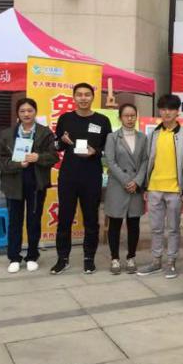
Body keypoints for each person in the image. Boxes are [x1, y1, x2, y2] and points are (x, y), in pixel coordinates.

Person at [52, 83, 112, 275]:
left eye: (87, 94)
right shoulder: (65, 118)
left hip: (91, 175)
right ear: (74, 97)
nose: (83, 98)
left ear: (92, 97)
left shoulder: (102, 120)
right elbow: (57, 146)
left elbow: (109, 148)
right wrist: (62, 141)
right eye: (79, 95)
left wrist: (96, 152)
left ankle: (89, 259)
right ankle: (62, 259)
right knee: (64, 219)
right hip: (68, 175)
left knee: (91, 219)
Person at [0, 98, 58, 273]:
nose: (26, 114)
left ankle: (32, 255)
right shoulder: (6, 134)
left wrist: (38, 157)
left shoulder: (45, 133)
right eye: (22, 111)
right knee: (14, 221)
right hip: (13, 184)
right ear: (18, 113)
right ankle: (14, 257)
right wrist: (17, 164)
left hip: (36, 184)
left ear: (35, 112)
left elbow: (54, 157)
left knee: (34, 221)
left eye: (30, 110)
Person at [137, 94, 183, 279]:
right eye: (163, 109)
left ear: (178, 111)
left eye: (171, 109)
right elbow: (147, 161)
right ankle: (156, 261)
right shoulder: (153, 134)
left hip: (175, 190)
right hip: (154, 187)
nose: (167, 112)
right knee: (155, 227)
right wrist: (145, 186)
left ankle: (171, 262)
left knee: (173, 228)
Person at [104, 103, 148, 275]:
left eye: (132, 115)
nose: (130, 119)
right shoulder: (112, 137)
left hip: (135, 186)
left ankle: (131, 257)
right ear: (120, 117)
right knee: (115, 223)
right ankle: (114, 258)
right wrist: (126, 181)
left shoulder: (143, 137)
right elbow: (110, 161)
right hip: (118, 185)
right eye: (126, 115)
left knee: (134, 223)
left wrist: (137, 181)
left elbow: (145, 161)